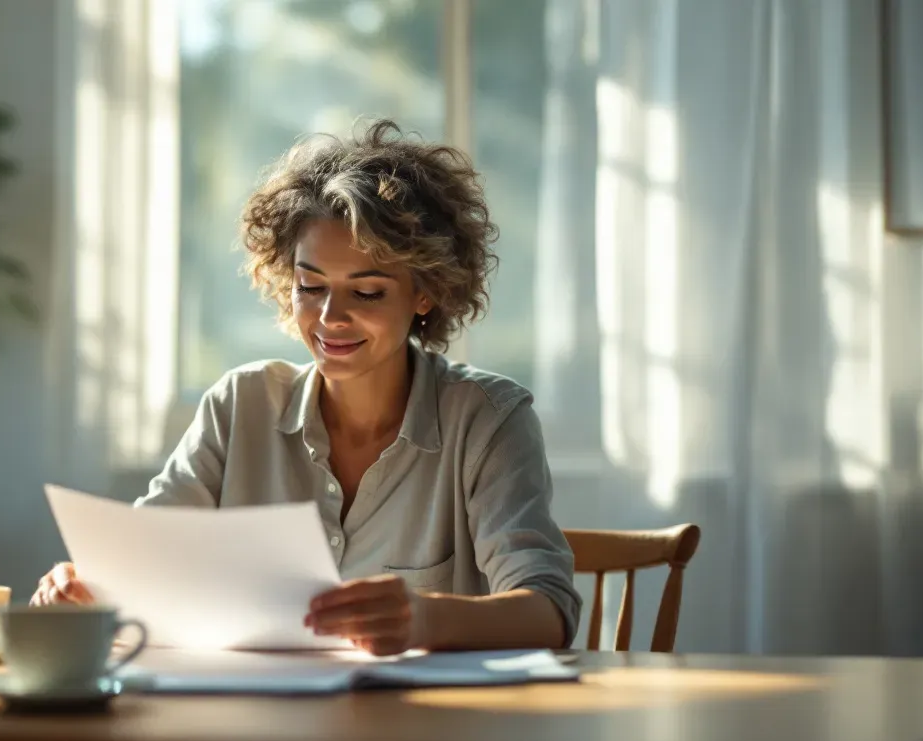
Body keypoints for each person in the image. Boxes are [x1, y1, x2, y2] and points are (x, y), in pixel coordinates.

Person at [32, 119, 581, 656]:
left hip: (424, 735)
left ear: (426, 293)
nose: (329, 318)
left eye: (366, 293)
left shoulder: (489, 420)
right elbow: (141, 564)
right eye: (310, 286)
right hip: (258, 728)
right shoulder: (239, 405)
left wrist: (425, 617)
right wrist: (86, 589)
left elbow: (550, 611)